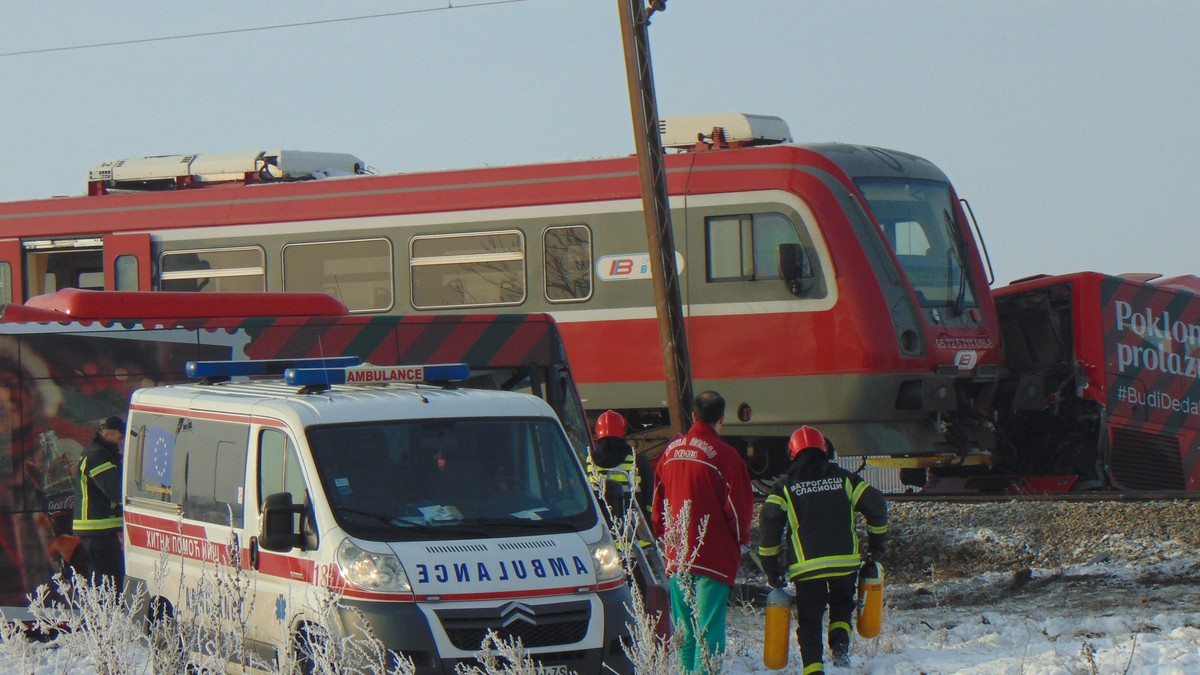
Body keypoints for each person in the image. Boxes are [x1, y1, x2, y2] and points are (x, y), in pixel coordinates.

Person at [758, 425, 888, 672]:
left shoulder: (784, 487)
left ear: (792, 453)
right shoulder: (844, 479)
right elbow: (877, 505)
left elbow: (769, 526)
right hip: (845, 563)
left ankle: (814, 668)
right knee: (842, 604)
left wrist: (771, 568)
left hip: (807, 568)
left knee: (810, 619)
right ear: (825, 450)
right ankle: (840, 645)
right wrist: (876, 545)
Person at [651, 391, 754, 674]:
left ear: (693, 416)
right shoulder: (727, 457)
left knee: (684, 629)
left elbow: (657, 503)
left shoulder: (669, 453)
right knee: (708, 630)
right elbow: (739, 510)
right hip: (712, 557)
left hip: (677, 556)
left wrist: (666, 536)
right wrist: (741, 539)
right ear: (721, 419)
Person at [74, 416, 126, 593]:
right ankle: (108, 618)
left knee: (105, 583)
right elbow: (116, 491)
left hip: (98, 531)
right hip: (97, 530)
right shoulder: (98, 456)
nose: (121, 442)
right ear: (107, 434)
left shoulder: (97, 453)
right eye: (120, 438)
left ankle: (106, 616)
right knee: (109, 584)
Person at [587, 410, 654, 522]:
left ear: (598, 433)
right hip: (635, 534)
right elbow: (650, 500)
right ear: (624, 431)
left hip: (602, 531)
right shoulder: (638, 461)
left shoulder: (588, 462)